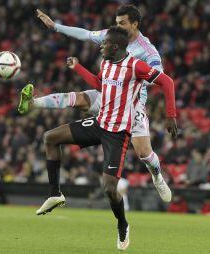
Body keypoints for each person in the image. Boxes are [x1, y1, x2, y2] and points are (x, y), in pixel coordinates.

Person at [21, 26, 177, 250]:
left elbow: (167, 82)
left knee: (109, 189)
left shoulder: (136, 65)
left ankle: (122, 224)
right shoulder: (106, 64)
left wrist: (170, 116)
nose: (100, 46)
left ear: (114, 46)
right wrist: (78, 68)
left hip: (117, 134)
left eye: (104, 44)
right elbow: (99, 84)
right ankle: (55, 194)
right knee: (50, 138)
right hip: (99, 123)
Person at [19, 5, 175, 202]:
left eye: (122, 23)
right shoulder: (113, 37)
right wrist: (55, 26)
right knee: (78, 98)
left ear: (135, 24)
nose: (117, 26)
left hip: (131, 105)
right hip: (108, 93)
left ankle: (157, 176)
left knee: (144, 152)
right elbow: (85, 34)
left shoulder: (148, 52)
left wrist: (170, 113)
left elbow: (162, 79)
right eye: (116, 22)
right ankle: (33, 103)